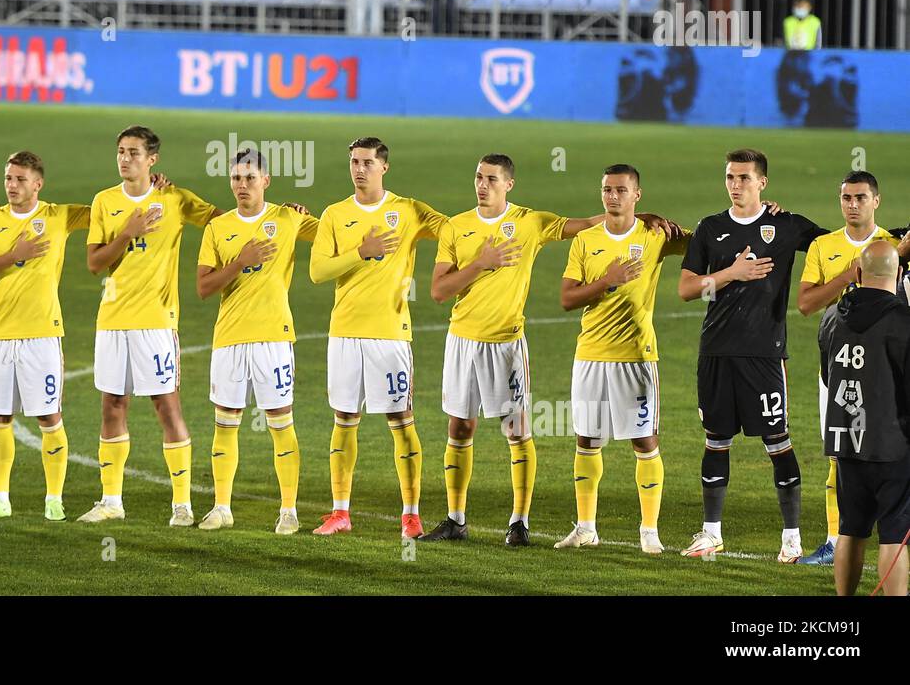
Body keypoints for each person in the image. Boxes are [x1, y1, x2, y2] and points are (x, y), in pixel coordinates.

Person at [422, 155, 676, 545]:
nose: (482, 185)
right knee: (459, 427)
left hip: (506, 342)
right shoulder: (457, 227)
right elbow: (439, 292)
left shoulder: (530, 222)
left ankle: (519, 522)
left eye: (491, 178)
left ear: (509, 184)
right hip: (461, 340)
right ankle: (456, 519)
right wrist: (481, 263)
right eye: (478, 177)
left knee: (517, 430)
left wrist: (642, 215)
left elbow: (595, 224)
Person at [677, 149, 826, 562]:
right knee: (715, 441)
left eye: (744, 177)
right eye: (730, 177)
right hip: (717, 351)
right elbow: (688, 289)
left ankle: (792, 538)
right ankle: (711, 534)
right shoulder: (711, 228)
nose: (735, 184)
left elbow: (836, 246)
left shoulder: (786, 225)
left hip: (763, 354)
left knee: (777, 441)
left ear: (763, 182)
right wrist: (730, 274)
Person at [78, 126, 221, 526]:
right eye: (121, 152)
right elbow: (94, 263)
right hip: (112, 321)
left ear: (152, 160)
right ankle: (111, 501)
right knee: (112, 406)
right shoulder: (105, 201)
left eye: (134, 153)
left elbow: (226, 223)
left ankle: (182, 504)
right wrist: (127, 232)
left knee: (166, 406)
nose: (126, 159)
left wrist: (280, 215)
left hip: (157, 322)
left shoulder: (174, 199)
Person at [308, 137, 447, 539]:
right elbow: (318, 272)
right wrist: (362, 252)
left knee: (401, 421)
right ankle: (339, 513)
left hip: (390, 335)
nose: (359, 169)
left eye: (367, 162)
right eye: (354, 161)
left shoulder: (408, 210)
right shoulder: (335, 214)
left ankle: (411, 515)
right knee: (344, 420)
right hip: (345, 333)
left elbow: (456, 230)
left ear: (384, 167)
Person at [556, 166, 690, 555]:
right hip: (591, 354)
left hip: (635, 354)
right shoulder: (586, 240)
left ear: (637, 194)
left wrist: (756, 217)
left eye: (620, 190)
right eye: (606, 189)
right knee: (587, 438)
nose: (612, 196)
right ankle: (585, 528)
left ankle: (649, 531)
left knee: (644, 439)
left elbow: (702, 244)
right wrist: (607, 281)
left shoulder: (654, 234)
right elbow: (567, 299)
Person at [195, 150, 317, 534]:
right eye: (235, 178)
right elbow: (203, 287)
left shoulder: (288, 217)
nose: (242, 185)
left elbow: (334, 234)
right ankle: (221, 507)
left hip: (273, 339)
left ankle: (288, 511)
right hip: (229, 339)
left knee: (281, 424)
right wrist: (240, 261)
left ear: (266, 181)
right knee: (225, 425)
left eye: (250, 178)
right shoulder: (218, 228)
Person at [0, 152, 91, 522]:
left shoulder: (58, 216)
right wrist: (14, 255)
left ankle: (54, 499)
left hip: (42, 335)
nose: (12, 185)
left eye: (20, 179)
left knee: (49, 417)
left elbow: (108, 209)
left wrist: (151, 189)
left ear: (38, 184)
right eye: (8, 178)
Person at [795, 171, 909, 565]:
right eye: (846, 197)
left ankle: (882, 535)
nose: (852, 204)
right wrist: (852, 275)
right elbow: (806, 304)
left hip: (886, 361)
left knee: (888, 445)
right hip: (839, 361)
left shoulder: (894, 244)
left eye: (861, 197)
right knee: (840, 453)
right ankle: (834, 539)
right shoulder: (823, 246)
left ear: (876, 200)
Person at [823, 241, 910, 597]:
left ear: (858, 273)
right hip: (892, 445)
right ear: (900, 273)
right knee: (893, 532)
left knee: (851, 529)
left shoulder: (831, 318)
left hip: (846, 442)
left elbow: (829, 377)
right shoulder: (904, 322)